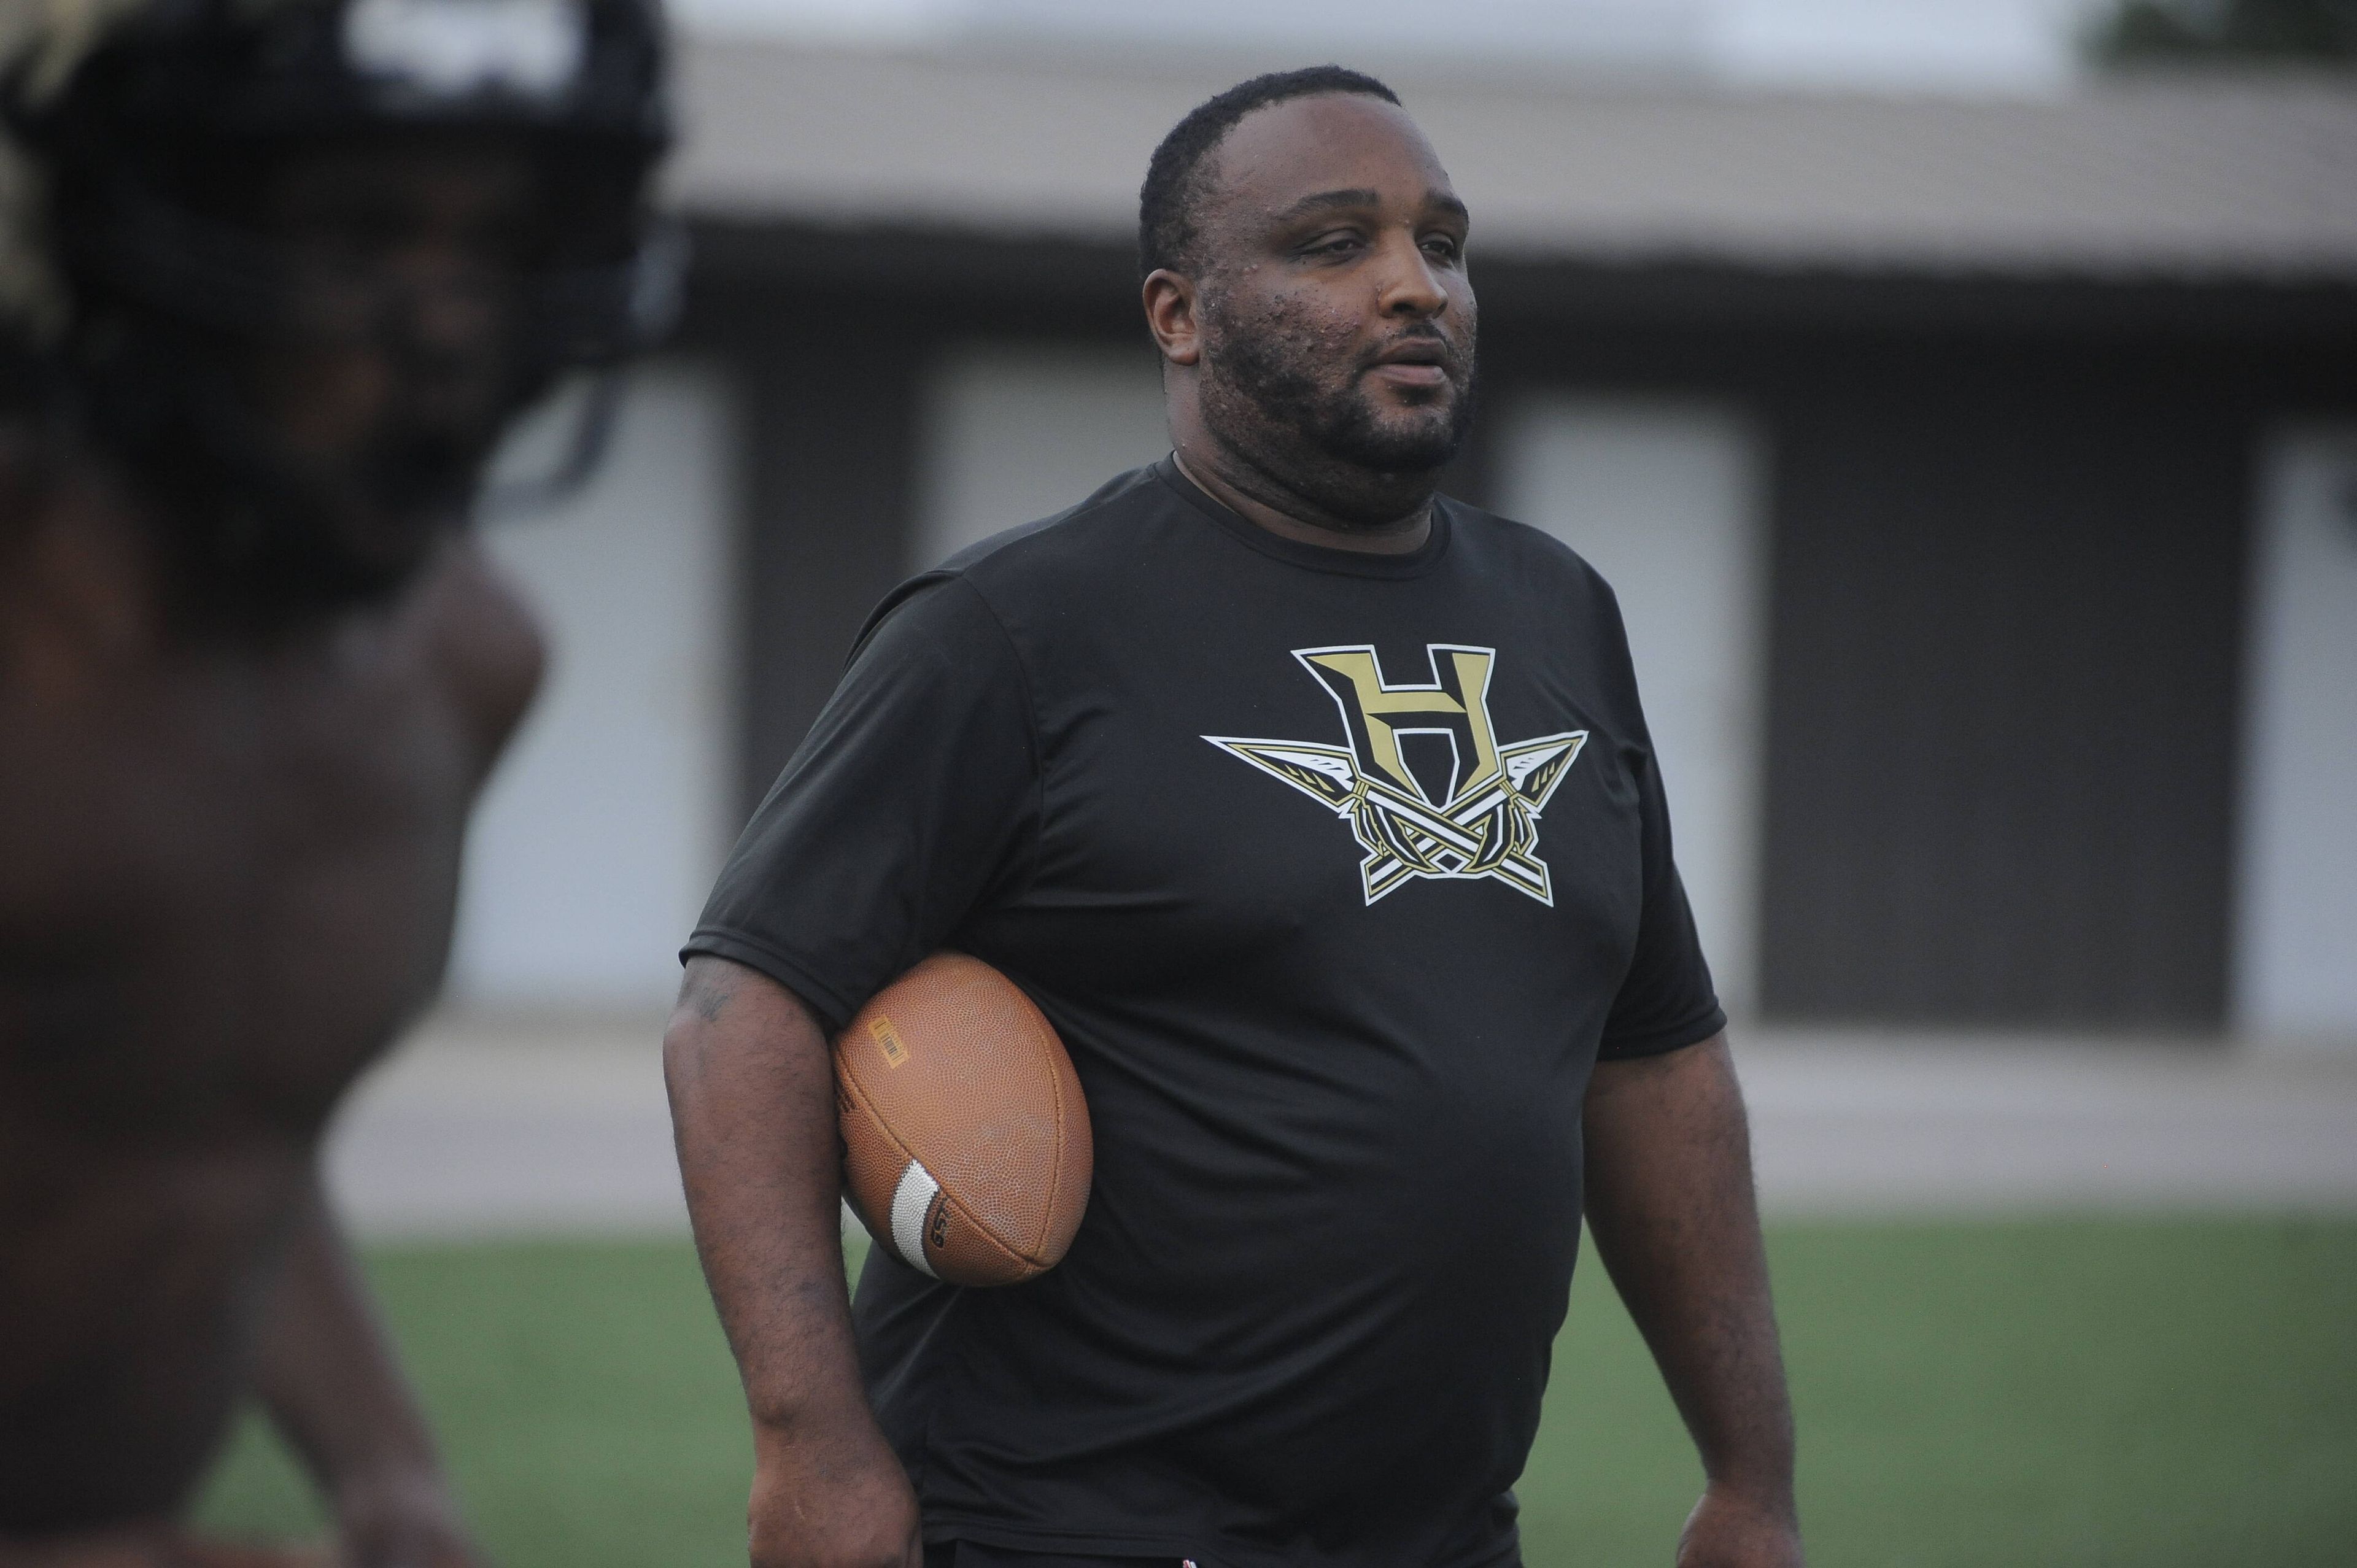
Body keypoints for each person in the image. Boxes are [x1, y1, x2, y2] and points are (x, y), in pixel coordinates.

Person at [665, 66, 1802, 1568]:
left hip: (1440, 1536)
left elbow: (1655, 1065)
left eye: (1443, 244)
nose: (1416, 286)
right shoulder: (1014, 628)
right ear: (1179, 315)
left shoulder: (1559, 615)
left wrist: (1749, 1478)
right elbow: (739, 1012)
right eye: (1336, 245)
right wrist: (811, 1446)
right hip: (1057, 1522)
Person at [0, 1, 674, 1562]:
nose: (446, 320)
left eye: (500, 246)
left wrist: (390, 1470)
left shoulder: (465, 667)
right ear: (145, 223)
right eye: (357, 232)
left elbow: (201, 1120)